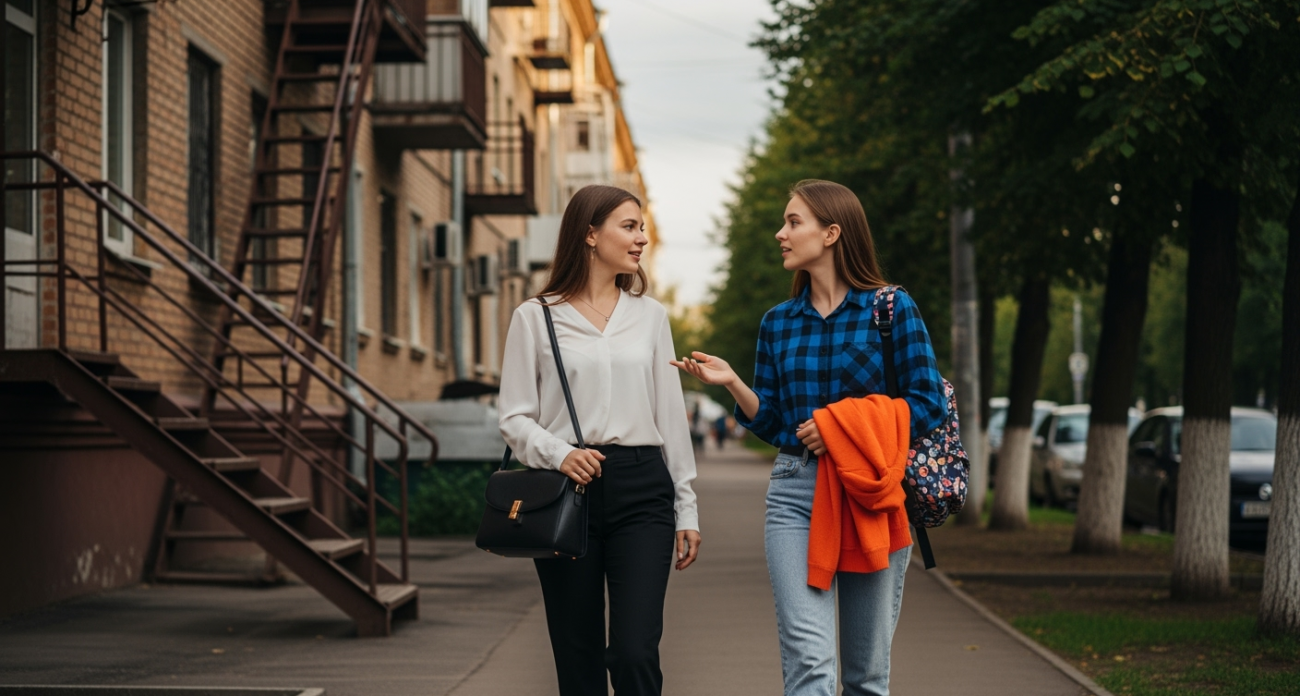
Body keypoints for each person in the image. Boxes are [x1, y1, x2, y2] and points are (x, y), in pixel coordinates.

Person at [673, 179, 947, 696]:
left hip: (869, 494)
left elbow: (928, 403)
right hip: (795, 493)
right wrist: (734, 383)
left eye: (793, 222)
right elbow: (777, 424)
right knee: (810, 666)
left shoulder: (891, 309)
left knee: (866, 676)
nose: (781, 233)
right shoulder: (778, 323)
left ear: (831, 233)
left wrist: (839, 426)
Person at [498, 184, 702, 696]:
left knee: (634, 652)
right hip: (567, 492)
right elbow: (514, 418)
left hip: (643, 490)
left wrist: (687, 508)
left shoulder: (650, 316)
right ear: (590, 234)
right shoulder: (536, 316)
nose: (642, 238)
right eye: (629, 227)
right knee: (578, 658)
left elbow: (670, 417)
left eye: (642, 228)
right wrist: (560, 453)